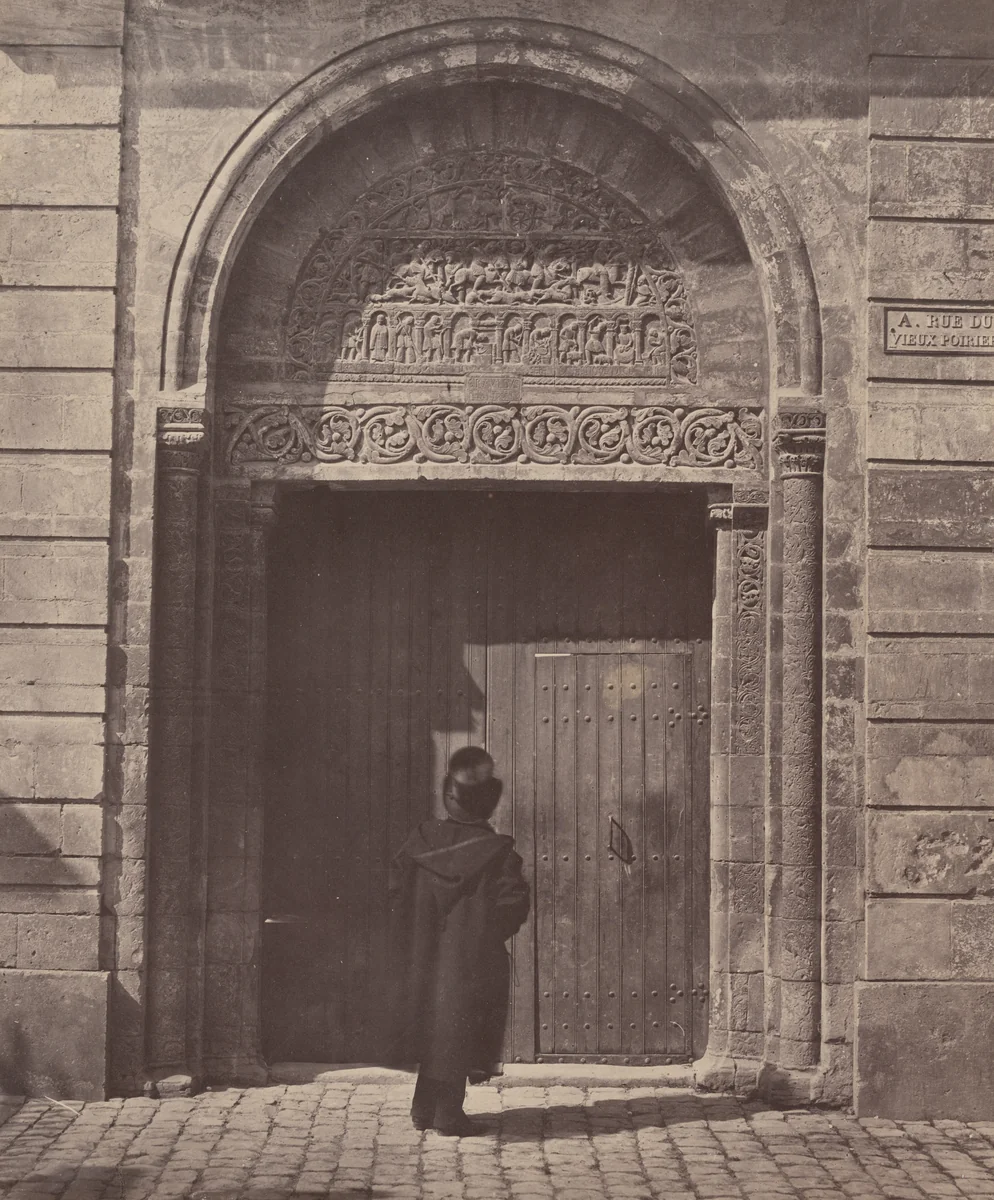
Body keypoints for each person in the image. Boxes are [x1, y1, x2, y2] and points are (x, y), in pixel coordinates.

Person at [387, 747, 530, 1136]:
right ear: (488, 804)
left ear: (449, 796)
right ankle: (449, 1115)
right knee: (459, 1027)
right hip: (471, 958)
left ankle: (422, 1108)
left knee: (434, 1025)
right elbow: (513, 906)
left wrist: (416, 933)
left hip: (422, 955)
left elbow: (394, 893)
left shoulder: (419, 840)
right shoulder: (499, 853)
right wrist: (482, 935)